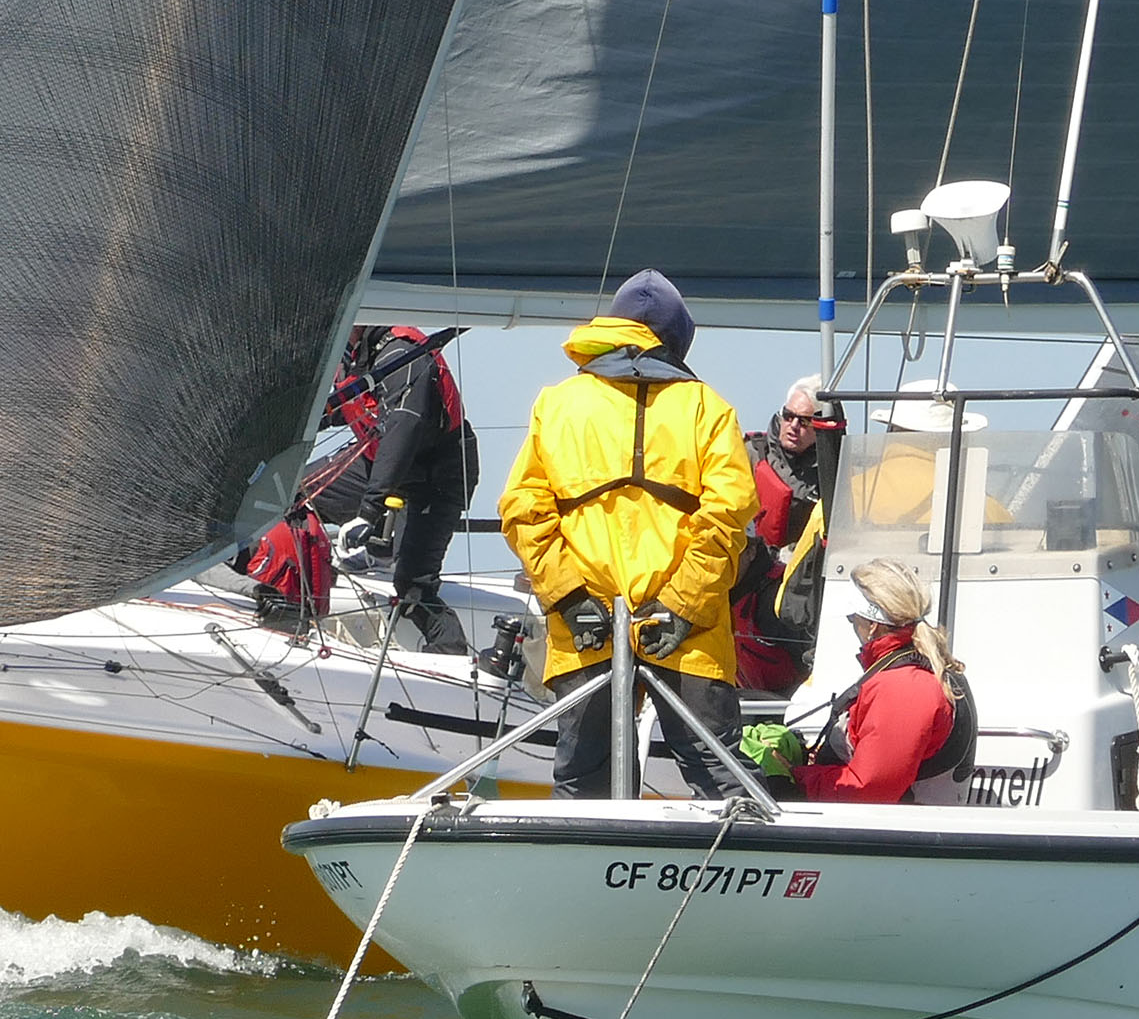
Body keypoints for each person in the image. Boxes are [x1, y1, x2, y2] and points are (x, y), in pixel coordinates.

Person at [498, 270, 756, 799]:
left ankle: (587, 855)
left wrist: (570, 599)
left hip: (587, 624)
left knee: (584, 779)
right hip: (686, 630)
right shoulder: (707, 408)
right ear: (677, 340)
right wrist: (681, 607)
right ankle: (746, 851)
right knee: (719, 775)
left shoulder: (557, 404)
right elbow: (729, 515)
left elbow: (524, 511)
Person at [303, 323, 478, 650]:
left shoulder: (401, 354)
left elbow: (404, 427)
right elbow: (346, 405)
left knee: (414, 587)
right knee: (297, 495)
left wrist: (368, 512)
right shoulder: (355, 356)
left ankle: (451, 654)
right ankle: (295, 595)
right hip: (381, 464)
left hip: (435, 479)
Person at [781, 558, 973, 804]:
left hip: (894, 825)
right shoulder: (915, 671)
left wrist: (794, 780)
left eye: (853, 618)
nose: (851, 624)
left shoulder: (903, 687)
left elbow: (870, 790)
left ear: (872, 625)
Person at [732, 379, 842, 697]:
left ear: (820, 427)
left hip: (799, 580)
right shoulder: (749, 454)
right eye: (788, 416)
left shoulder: (833, 471)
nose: (793, 426)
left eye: (804, 421)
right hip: (747, 568)